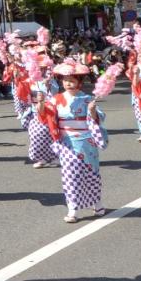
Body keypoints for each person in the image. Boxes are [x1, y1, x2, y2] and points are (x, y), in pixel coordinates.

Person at [44, 63, 109, 223]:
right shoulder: (56, 99)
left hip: (86, 141)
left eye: (72, 80)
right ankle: (72, 208)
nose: (69, 84)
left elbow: (100, 118)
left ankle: (97, 203)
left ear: (79, 82)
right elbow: (46, 117)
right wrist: (40, 105)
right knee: (70, 176)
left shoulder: (87, 99)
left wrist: (93, 111)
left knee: (91, 174)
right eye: (66, 81)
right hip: (67, 143)